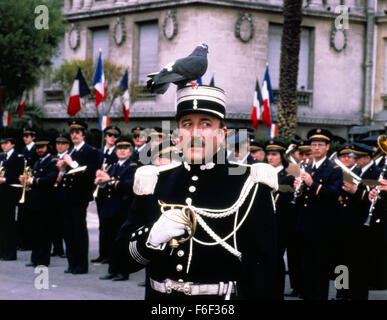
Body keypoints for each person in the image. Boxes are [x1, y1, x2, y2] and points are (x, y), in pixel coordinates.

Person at [117, 84, 279, 300]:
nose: (195, 133)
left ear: (222, 135)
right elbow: (120, 262)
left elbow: (266, 270)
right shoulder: (155, 181)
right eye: (187, 124)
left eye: (205, 124)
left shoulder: (250, 183)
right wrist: (151, 239)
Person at [294, 128, 343, 300]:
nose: (315, 148)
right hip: (305, 225)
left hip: (322, 226)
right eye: (313, 144)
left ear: (327, 147)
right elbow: (303, 199)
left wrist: (311, 183)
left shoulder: (334, 169)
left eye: (320, 145)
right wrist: (298, 189)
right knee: (306, 268)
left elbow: (332, 194)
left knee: (320, 269)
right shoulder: (307, 166)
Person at [56, 119, 100, 274]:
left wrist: (71, 163)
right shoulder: (72, 152)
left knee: (79, 231)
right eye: (72, 132)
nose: (74, 135)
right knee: (68, 231)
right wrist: (62, 169)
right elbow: (66, 177)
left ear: (83, 134)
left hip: (79, 197)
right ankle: (72, 263)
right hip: (66, 197)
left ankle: (81, 265)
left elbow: (89, 174)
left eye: (77, 132)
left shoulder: (90, 151)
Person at [97, 138, 137, 281]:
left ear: (130, 152)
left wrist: (110, 181)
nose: (121, 150)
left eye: (125, 148)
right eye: (119, 148)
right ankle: (112, 269)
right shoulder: (112, 166)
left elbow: (129, 186)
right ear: (115, 151)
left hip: (122, 209)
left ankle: (123, 271)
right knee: (110, 240)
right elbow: (105, 186)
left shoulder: (133, 166)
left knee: (122, 242)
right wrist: (101, 182)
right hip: (109, 207)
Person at [20, 138, 58, 267]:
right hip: (35, 201)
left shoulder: (53, 161)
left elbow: (50, 179)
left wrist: (33, 180)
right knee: (35, 231)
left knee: (44, 232)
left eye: (42, 147)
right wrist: (25, 179)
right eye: (37, 148)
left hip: (46, 202)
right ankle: (35, 258)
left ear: (48, 148)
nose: (39, 150)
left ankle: (43, 260)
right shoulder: (37, 161)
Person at [265, 139, 295, 299]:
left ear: (282, 156)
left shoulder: (288, 176)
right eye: (269, 154)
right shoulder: (264, 172)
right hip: (264, 222)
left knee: (277, 259)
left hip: (281, 222)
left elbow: (285, 199)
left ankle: (277, 294)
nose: (270, 158)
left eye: (274, 155)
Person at [91, 125, 120, 264]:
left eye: (114, 136)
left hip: (111, 191)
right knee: (102, 223)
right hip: (100, 190)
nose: (111, 138)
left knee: (111, 224)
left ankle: (110, 254)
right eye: (109, 135)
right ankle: (102, 254)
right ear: (105, 137)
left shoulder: (118, 152)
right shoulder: (99, 151)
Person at [0, 137, 24, 261]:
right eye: (2, 144)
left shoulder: (18, 158)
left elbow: (19, 177)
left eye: (6, 143)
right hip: (2, 193)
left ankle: (10, 252)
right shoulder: (1, 157)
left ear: (13, 144)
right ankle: (2, 250)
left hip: (11, 193)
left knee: (9, 223)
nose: (3, 146)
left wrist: (4, 179)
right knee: (2, 223)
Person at [17, 127, 38, 251]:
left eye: (28, 136)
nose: (25, 138)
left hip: (32, 183)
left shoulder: (36, 149)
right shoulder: (24, 149)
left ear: (33, 137)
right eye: (24, 136)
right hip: (24, 183)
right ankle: (22, 241)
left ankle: (30, 242)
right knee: (23, 214)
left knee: (31, 214)